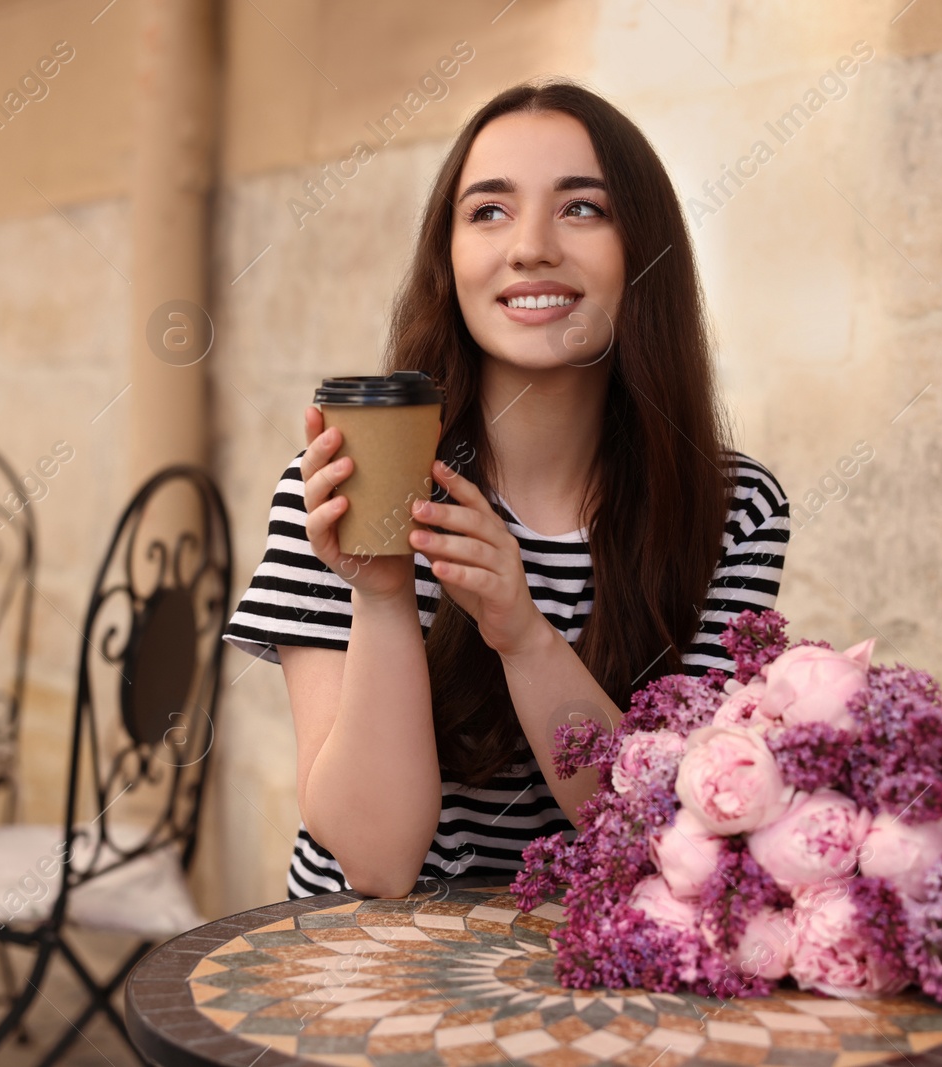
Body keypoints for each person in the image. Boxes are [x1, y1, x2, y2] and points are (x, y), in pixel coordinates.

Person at [222, 81, 789, 900]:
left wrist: (523, 634)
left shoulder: (734, 509)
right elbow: (377, 865)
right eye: (488, 211)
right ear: (446, 258)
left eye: (582, 209)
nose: (530, 247)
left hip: (603, 960)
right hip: (363, 973)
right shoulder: (337, 488)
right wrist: (382, 594)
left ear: (645, 248)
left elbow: (672, 833)